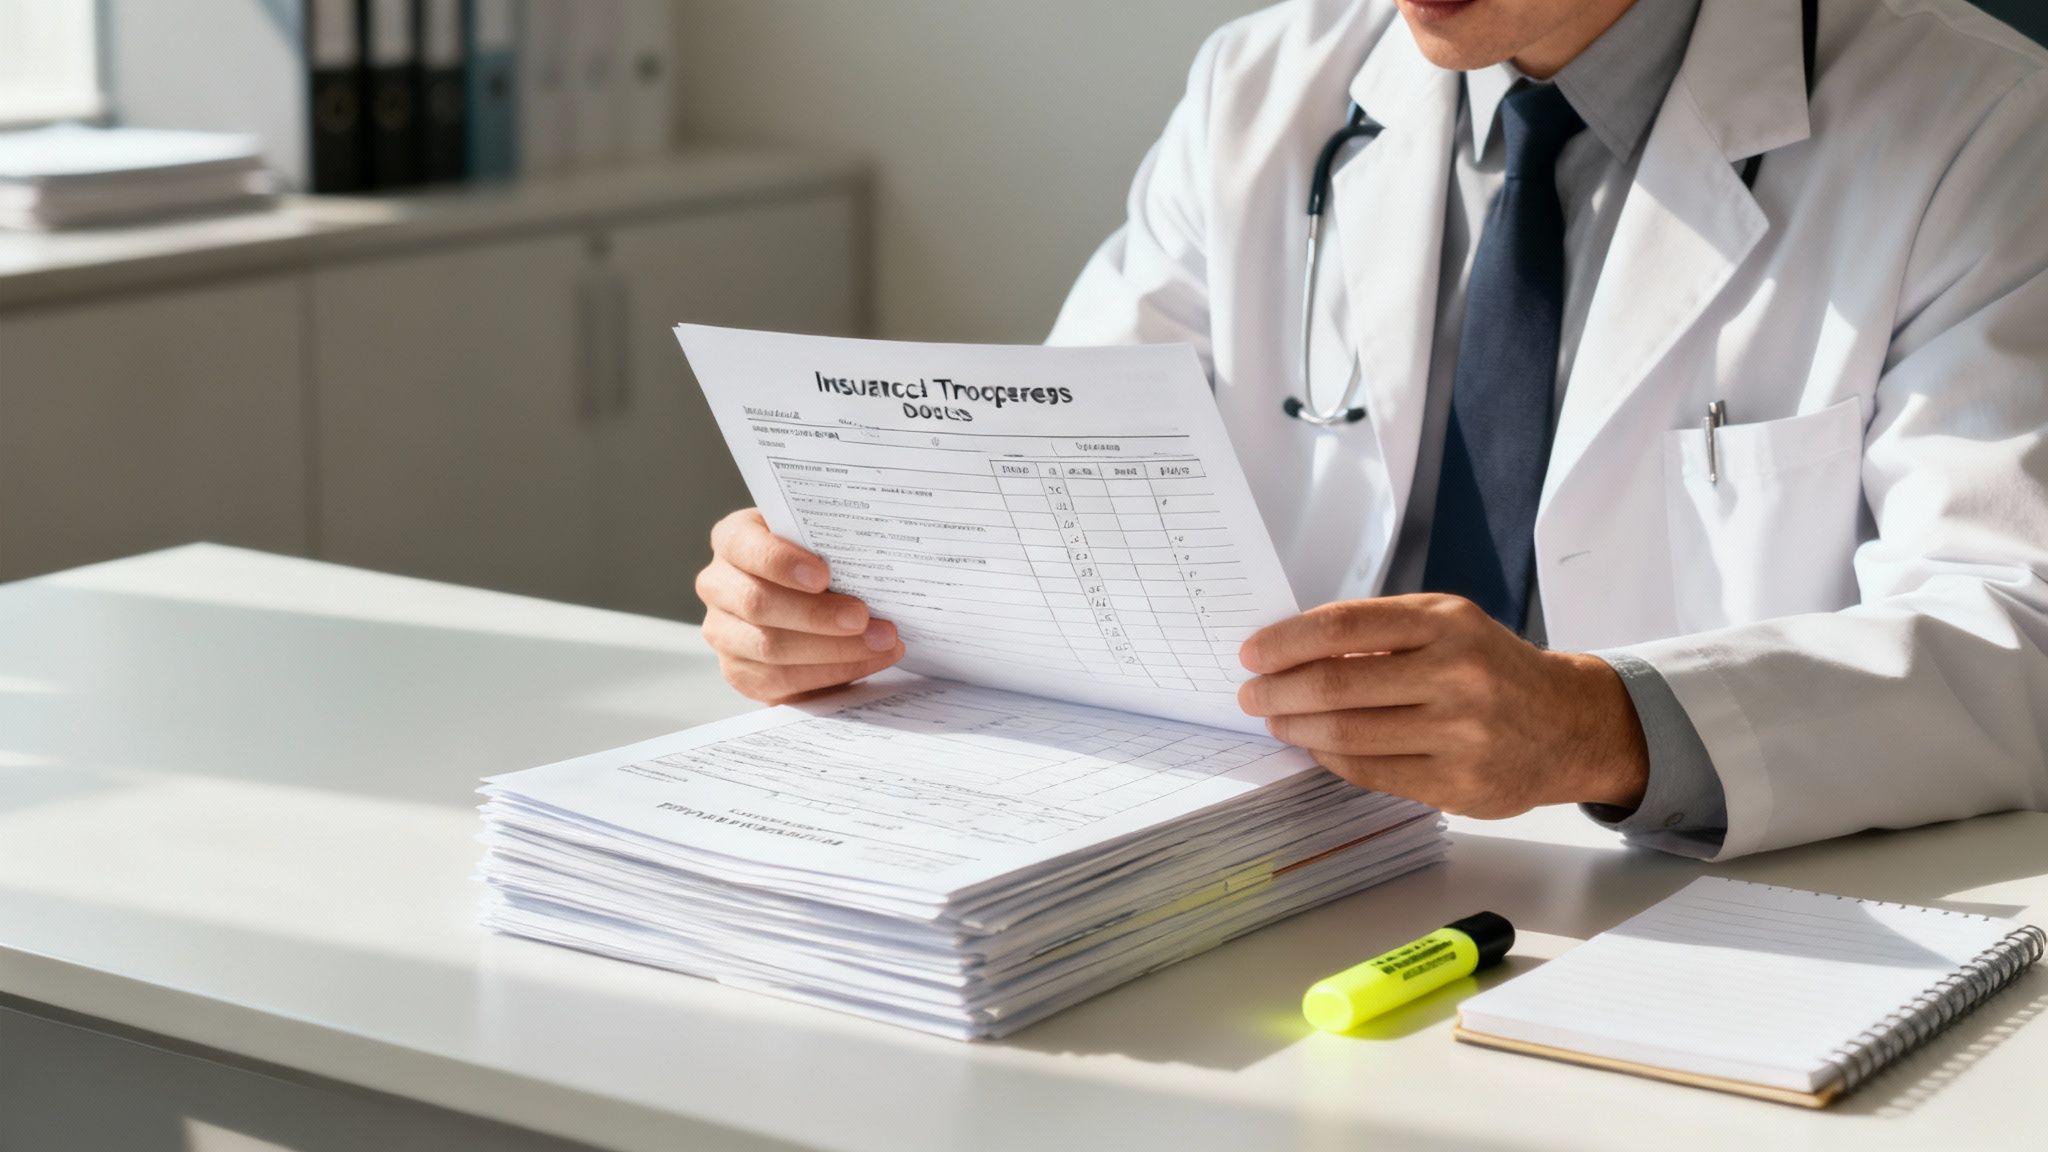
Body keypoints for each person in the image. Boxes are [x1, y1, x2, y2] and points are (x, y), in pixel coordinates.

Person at [694, 0, 2048, 861]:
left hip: (1698, 907)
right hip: (1277, 871)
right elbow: (1050, 490)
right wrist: (849, 602)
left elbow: (2017, 632)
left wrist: (1604, 728)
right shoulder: (1262, 87)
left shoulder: (1978, 126)